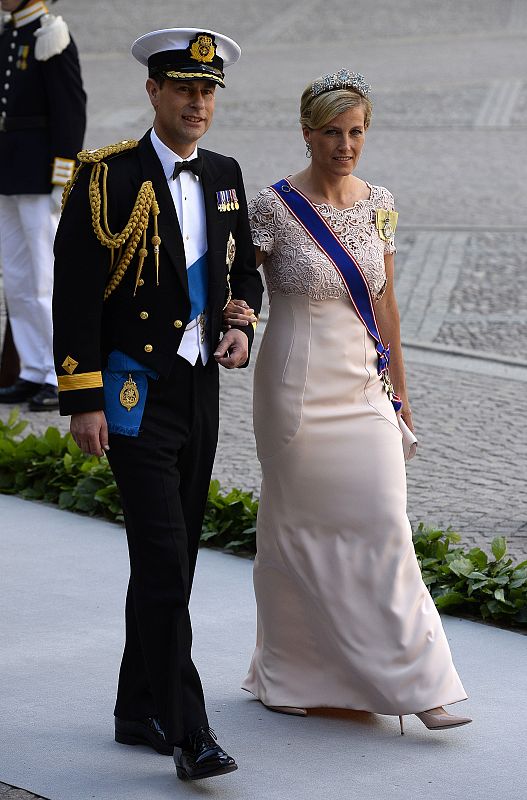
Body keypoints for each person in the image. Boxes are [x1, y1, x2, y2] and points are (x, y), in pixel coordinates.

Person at [226, 69, 472, 733]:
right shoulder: (270, 207)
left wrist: (402, 398)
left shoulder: (380, 201)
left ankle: (421, 684)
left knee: (383, 523)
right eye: (331, 132)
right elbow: (237, 287)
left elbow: (385, 305)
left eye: (355, 131)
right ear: (307, 133)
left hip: (364, 387)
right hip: (295, 390)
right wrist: (232, 322)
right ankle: (293, 674)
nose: (345, 144)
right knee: (296, 532)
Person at [52, 28, 263, 781]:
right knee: (167, 561)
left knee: (170, 561)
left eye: (207, 91)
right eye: (183, 88)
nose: (197, 102)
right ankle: (188, 731)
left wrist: (241, 323)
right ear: (154, 92)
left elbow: (243, 272)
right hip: (130, 390)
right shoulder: (104, 177)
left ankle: (135, 705)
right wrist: (81, 399)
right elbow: (73, 294)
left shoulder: (226, 174)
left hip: (197, 385)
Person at [0, 0, 86, 409]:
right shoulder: (9, 34)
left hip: (38, 174)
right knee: (16, 278)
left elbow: (70, 110)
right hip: (9, 174)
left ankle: (58, 373)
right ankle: (32, 369)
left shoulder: (50, 36)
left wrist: (62, 175)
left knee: (42, 279)